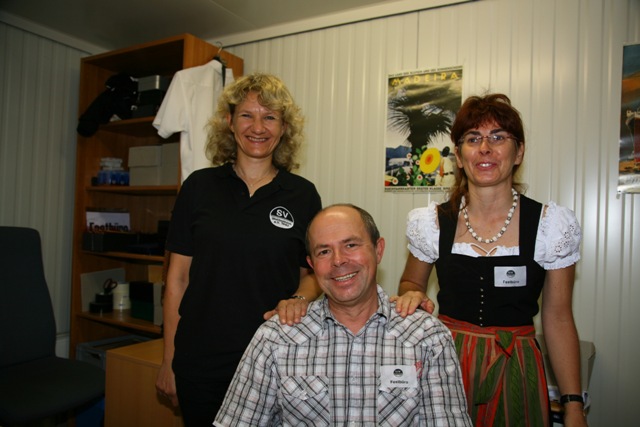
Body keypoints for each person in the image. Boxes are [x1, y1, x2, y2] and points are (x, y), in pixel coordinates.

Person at [392, 94, 588, 427]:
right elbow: (411, 283)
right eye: (473, 139)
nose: (485, 148)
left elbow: (558, 317)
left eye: (498, 137)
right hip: (446, 363)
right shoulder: (433, 222)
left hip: (516, 367)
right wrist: (411, 293)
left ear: (519, 152)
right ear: (458, 155)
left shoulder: (550, 225)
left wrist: (573, 406)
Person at [155, 72, 323, 426]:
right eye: (247, 114)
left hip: (274, 359)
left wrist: (299, 299)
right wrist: (169, 359)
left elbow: (312, 276)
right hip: (202, 361)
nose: (257, 127)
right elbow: (177, 280)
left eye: (270, 117)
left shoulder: (303, 195)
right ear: (229, 122)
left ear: (284, 127)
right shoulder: (198, 187)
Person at [214, 204, 472, 426]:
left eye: (350, 245)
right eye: (324, 251)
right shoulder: (277, 337)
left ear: (378, 250)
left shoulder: (427, 337)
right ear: (312, 265)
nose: (338, 260)